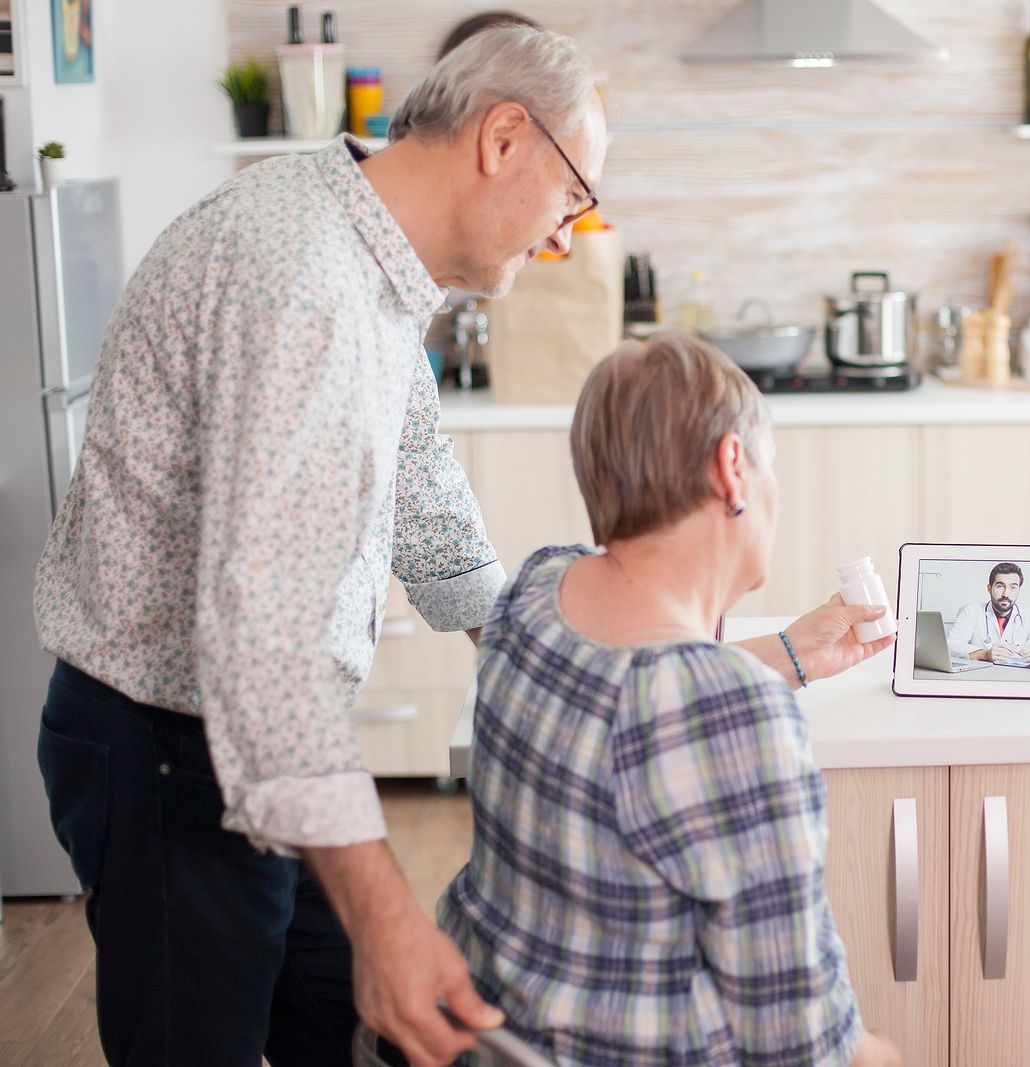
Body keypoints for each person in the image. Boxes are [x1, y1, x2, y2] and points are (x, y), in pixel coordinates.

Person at [29, 25, 879, 1067]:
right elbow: (267, 650)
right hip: (166, 743)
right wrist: (389, 923)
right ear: (504, 138)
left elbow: (428, 501)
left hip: (263, 743)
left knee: (330, 1021)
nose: (567, 239)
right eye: (575, 200)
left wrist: (717, 655)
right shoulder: (310, 290)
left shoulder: (366, 249)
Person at [438, 335, 903, 1067]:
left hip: (488, 1040)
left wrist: (788, 653)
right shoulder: (733, 717)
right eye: (769, 463)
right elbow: (804, 1047)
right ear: (732, 468)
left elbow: (625, 691)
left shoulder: (533, 591)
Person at [948, 562, 1030, 663]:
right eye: (1000, 586)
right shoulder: (971, 612)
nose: (1006, 594)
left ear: (1018, 590)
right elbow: (951, 646)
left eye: (1013, 587)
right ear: (989, 588)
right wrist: (985, 654)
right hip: (981, 676)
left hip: (1017, 676)